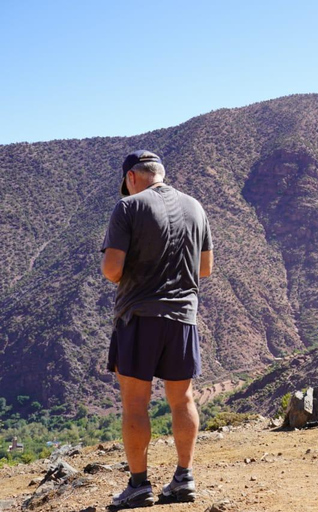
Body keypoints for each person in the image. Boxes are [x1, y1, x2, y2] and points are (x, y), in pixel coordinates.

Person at [101, 150, 213, 508]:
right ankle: (184, 478)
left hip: (139, 316)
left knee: (135, 403)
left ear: (132, 177)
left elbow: (112, 270)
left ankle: (138, 485)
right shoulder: (196, 207)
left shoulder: (129, 208)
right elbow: (205, 268)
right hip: (183, 317)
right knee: (182, 399)